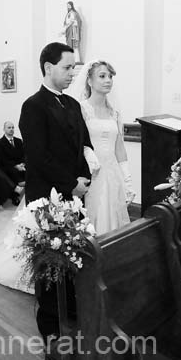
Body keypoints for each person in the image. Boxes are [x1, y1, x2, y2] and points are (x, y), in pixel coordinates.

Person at [19, 41, 94, 360]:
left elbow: (84, 143)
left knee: (73, 254)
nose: (72, 73)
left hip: (75, 195)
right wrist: (69, 184)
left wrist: (87, 172)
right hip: (47, 197)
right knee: (50, 261)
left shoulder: (74, 104)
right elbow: (38, 157)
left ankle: (73, 307)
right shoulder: (33, 106)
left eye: (74, 68)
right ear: (48, 68)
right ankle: (50, 326)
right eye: (67, 67)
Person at [73, 60, 135, 233]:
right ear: (90, 81)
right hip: (91, 174)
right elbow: (77, 143)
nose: (108, 80)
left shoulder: (114, 113)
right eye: (102, 76)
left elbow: (119, 148)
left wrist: (128, 181)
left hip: (111, 173)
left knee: (114, 219)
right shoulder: (81, 109)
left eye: (110, 76)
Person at [0, 121, 25, 206]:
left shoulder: (19, 141)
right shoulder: (0, 143)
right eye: (9, 127)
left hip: (20, 165)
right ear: (4, 129)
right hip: (6, 166)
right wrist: (16, 166)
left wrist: (22, 164)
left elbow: (23, 154)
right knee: (12, 171)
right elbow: (2, 159)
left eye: (12, 127)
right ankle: (15, 196)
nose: (11, 129)